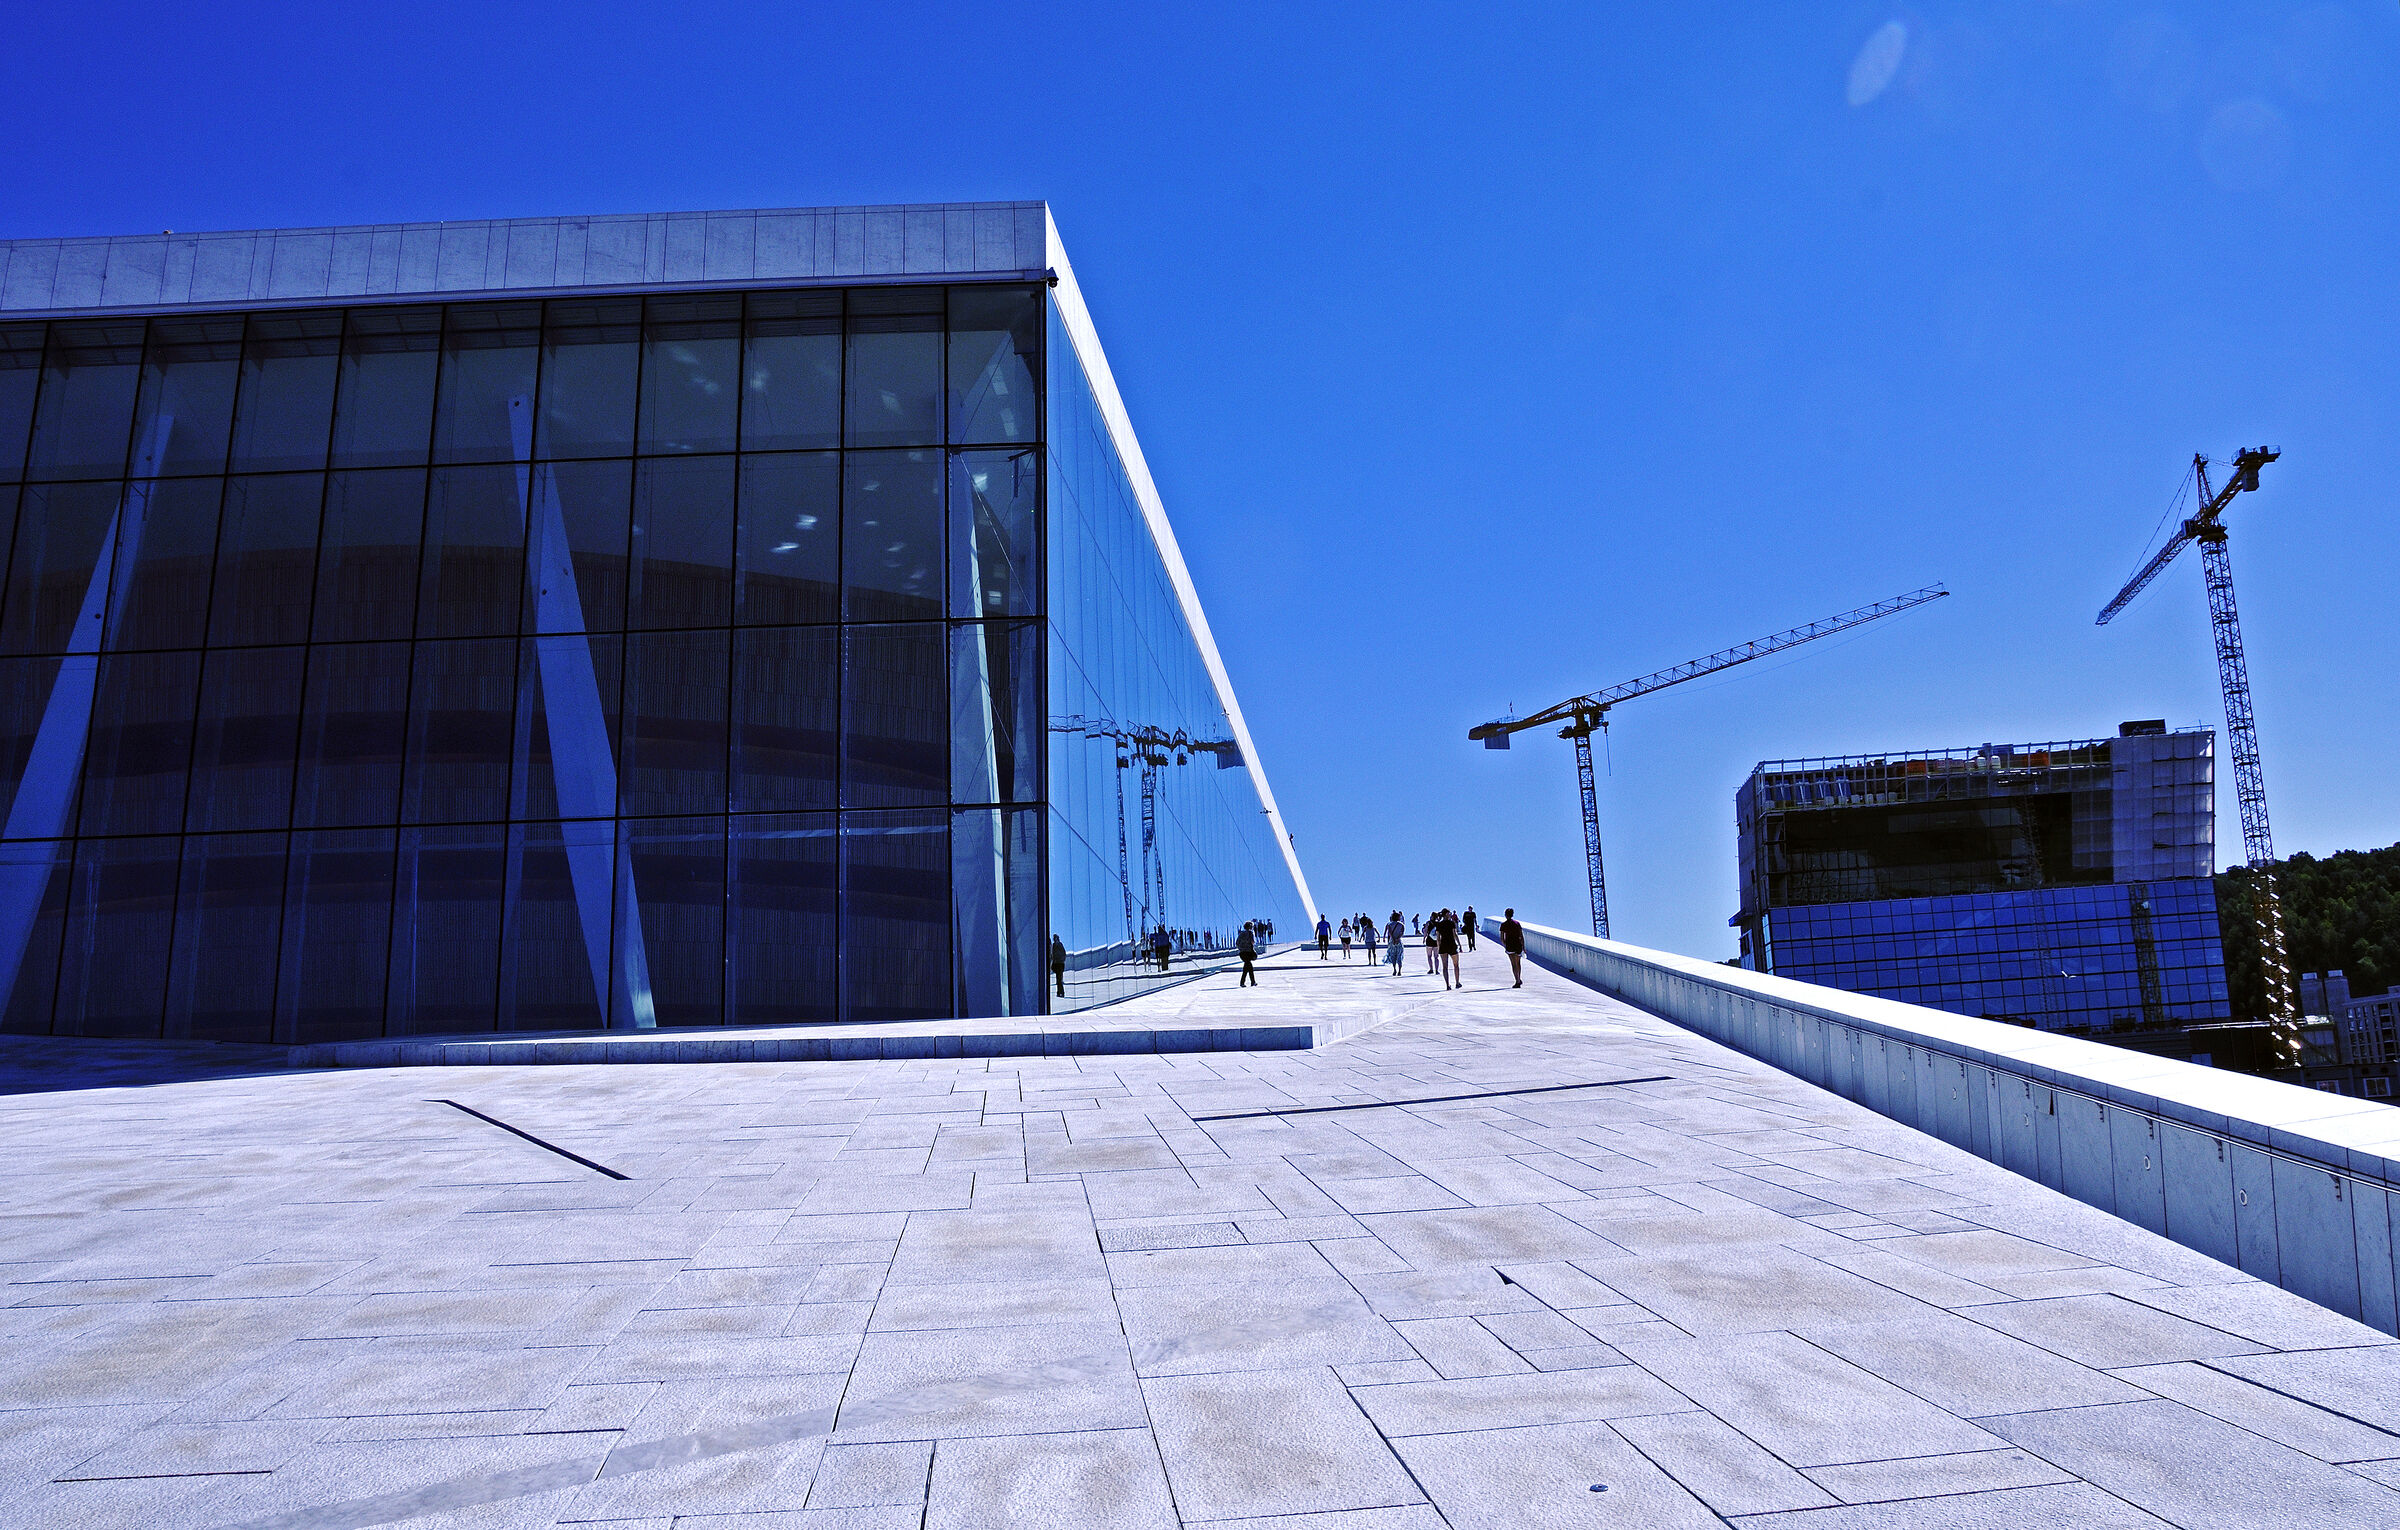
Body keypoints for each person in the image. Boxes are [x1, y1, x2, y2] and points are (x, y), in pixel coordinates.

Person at [1435, 907, 1461, 989]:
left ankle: (1447, 985)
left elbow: (1438, 938)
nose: (1450, 914)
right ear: (1446, 914)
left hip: (1443, 946)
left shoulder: (1439, 924)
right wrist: (1459, 944)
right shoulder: (1451, 923)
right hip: (1452, 945)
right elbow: (1455, 934)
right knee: (1456, 965)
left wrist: (1439, 948)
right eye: (1449, 913)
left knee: (1445, 966)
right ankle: (1457, 983)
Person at [1499, 907, 1525, 987]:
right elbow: (1521, 936)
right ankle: (1519, 979)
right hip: (1518, 945)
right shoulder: (1517, 923)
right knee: (1518, 963)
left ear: (1505, 915)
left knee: (1513, 964)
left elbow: (1502, 938)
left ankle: (1517, 981)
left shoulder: (1503, 925)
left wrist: (1505, 945)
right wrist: (1523, 946)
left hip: (1510, 945)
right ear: (1512, 914)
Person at [1236, 922, 1259, 986]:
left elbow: (1237, 943)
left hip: (1242, 953)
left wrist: (1241, 948)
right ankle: (1249, 982)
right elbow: (1252, 942)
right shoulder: (1250, 933)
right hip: (1248, 952)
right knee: (1248, 967)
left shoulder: (1241, 933)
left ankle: (1246, 982)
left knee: (1247, 967)